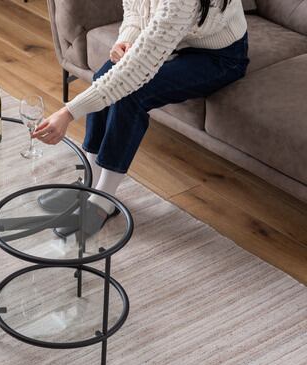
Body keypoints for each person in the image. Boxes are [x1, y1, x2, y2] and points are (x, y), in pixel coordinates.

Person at [34, 0, 249, 236]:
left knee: (131, 95)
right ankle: (90, 180)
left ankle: (104, 199)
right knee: (104, 75)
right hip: (174, 40)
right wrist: (126, 39)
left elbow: (135, 74)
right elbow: (136, 8)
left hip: (219, 57)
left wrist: (68, 112)